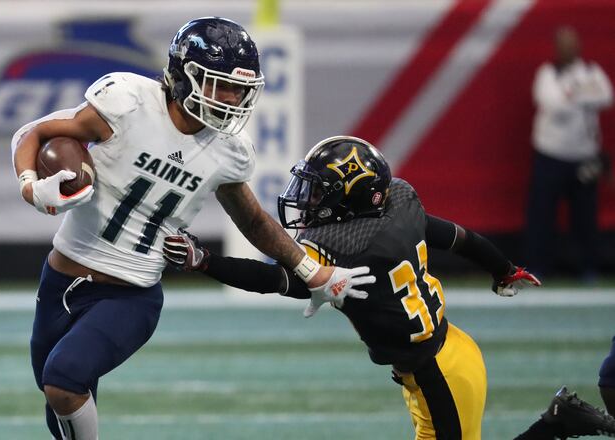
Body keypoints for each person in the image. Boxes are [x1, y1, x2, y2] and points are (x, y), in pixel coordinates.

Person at [10, 17, 369, 440]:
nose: (233, 99)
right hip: (60, 278)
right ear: (184, 76)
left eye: (240, 89)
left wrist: (311, 272)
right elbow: (34, 134)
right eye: (222, 85)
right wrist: (31, 187)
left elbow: (252, 220)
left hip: (131, 293)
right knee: (60, 402)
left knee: (63, 380)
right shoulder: (127, 104)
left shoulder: (229, 152)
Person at [163, 135, 542, 439]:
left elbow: (274, 280)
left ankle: (557, 422)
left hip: (439, 375)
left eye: (319, 192)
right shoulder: (396, 212)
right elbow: (459, 238)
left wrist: (206, 261)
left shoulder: (351, 250)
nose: (307, 199)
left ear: (352, 200)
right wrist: (503, 269)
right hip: (448, 352)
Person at [525, 26, 613, 281]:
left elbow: (606, 96)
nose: (568, 49)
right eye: (563, 44)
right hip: (550, 155)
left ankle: (589, 268)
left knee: (585, 216)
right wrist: (583, 94)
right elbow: (552, 104)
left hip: (583, 157)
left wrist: (571, 94)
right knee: (541, 215)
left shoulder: (591, 71)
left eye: (571, 43)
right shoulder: (547, 73)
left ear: (578, 46)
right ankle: (537, 268)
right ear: (556, 47)